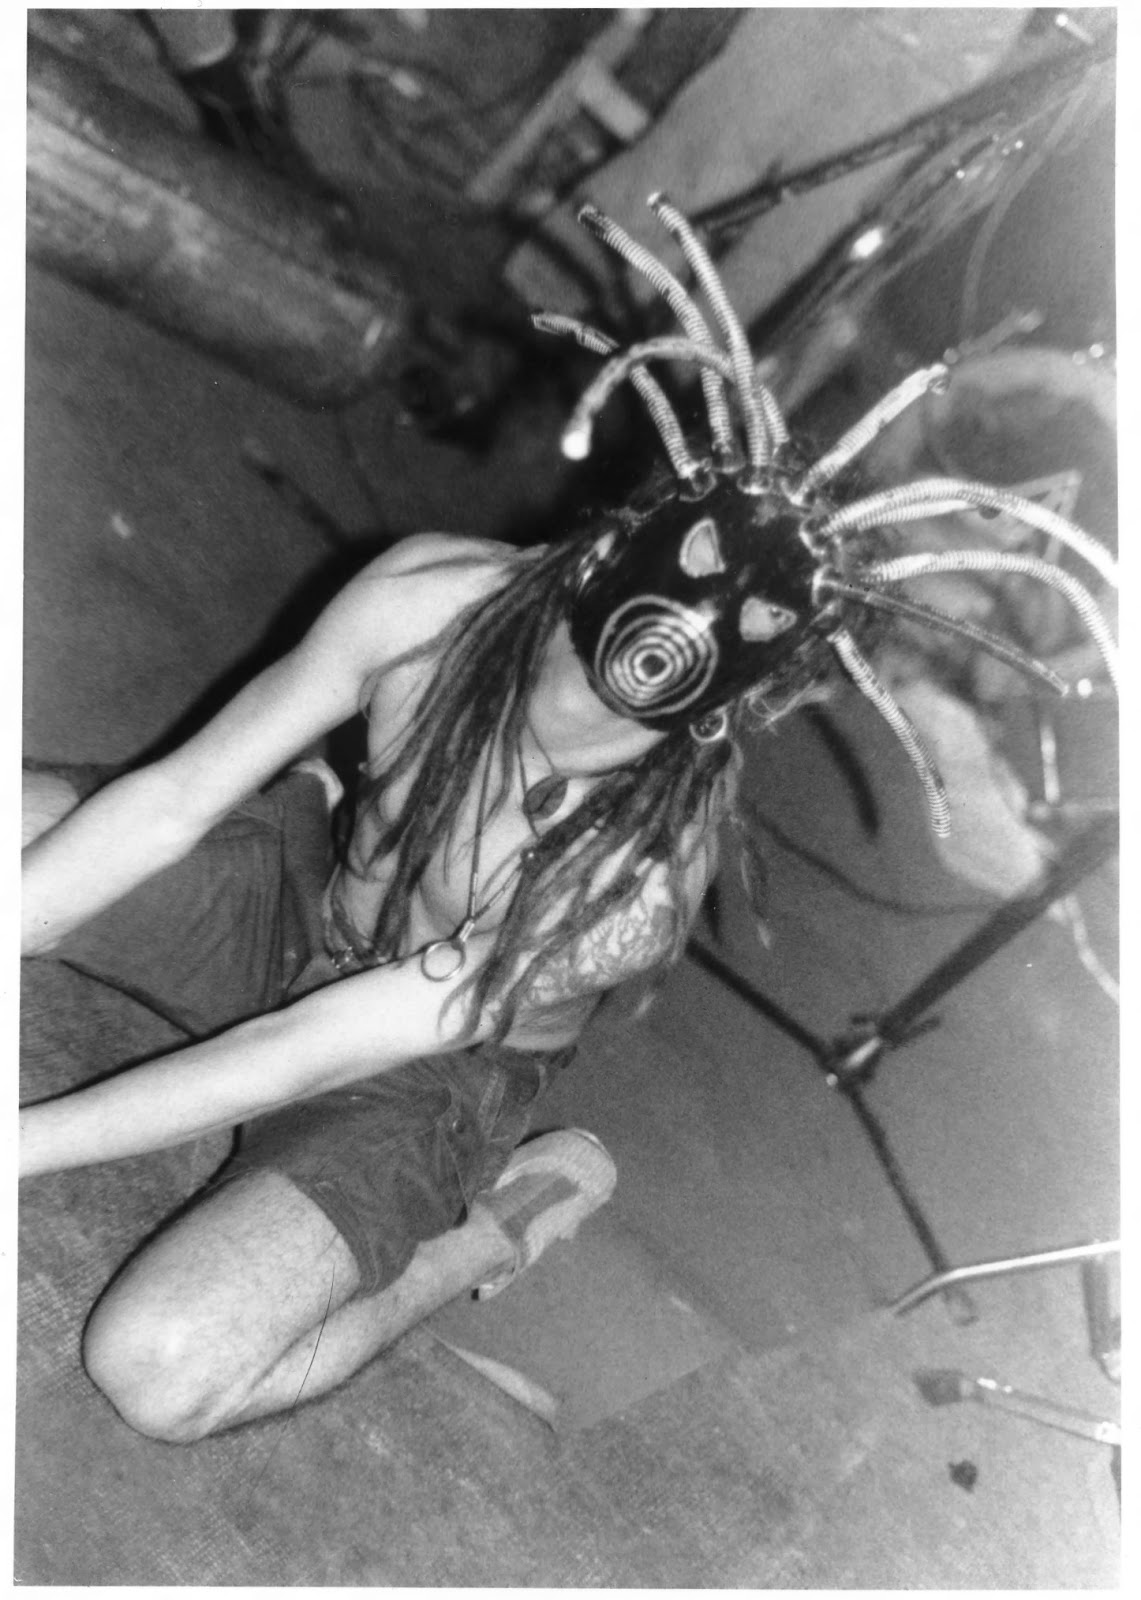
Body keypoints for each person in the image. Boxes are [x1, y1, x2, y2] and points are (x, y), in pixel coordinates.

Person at [21, 196, 1116, 1446]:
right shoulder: (427, 601)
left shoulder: (629, 881)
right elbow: (173, 799)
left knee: (163, 1362)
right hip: (307, 884)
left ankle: (487, 1229)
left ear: (736, 709)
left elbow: (305, 1048)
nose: (622, 688)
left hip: (419, 1073)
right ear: (599, 555)